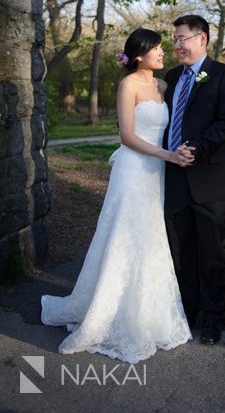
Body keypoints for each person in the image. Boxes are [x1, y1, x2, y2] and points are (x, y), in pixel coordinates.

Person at [41, 28, 193, 363]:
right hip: (134, 170)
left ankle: (148, 312)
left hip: (156, 175)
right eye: (156, 48)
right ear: (139, 55)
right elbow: (126, 136)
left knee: (150, 238)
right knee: (124, 236)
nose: (162, 52)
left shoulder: (163, 86)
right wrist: (168, 155)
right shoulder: (129, 85)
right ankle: (109, 311)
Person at [164, 14, 225, 346]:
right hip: (175, 179)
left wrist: (196, 146)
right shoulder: (170, 77)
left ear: (202, 39)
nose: (177, 45)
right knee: (181, 251)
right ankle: (187, 312)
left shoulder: (223, 75)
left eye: (182, 38)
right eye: (174, 39)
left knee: (212, 252)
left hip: (210, 180)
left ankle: (213, 319)